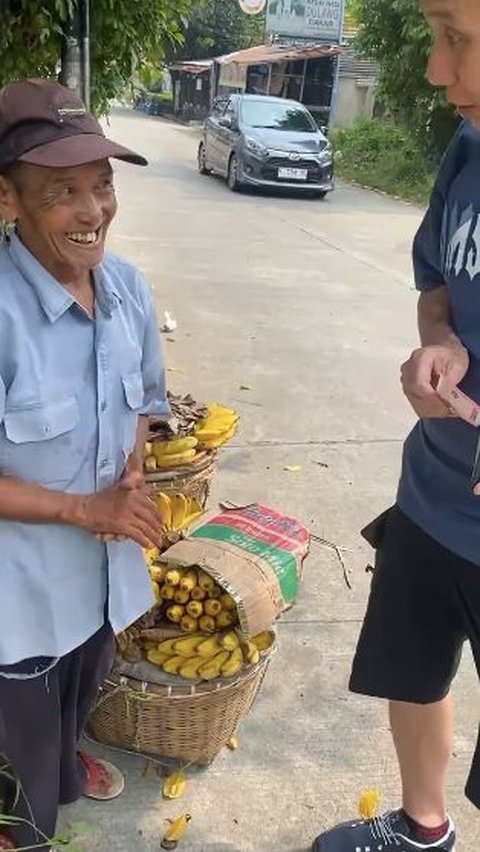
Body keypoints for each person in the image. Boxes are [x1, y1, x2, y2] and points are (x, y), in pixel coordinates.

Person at [313, 1, 480, 850]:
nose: (435, 72)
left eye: (458, 39)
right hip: (433, 493)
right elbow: (436, 279)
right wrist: (438, 342)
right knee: (412, 673)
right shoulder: (470, 146)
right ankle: (423, 831)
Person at [0, 78, 169, 850]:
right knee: (19, 781)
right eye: (62, 191)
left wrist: (130, 476)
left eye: (101, 186)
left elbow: (140, 402)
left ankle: (64, 768)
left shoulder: (128, 290)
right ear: (9, 201)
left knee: (77, 697)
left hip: (100, 584)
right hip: (19, 599)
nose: (93, 210)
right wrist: (83, 510)